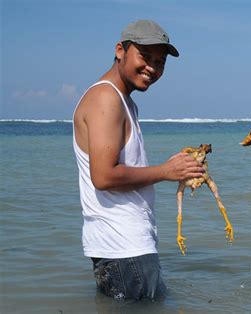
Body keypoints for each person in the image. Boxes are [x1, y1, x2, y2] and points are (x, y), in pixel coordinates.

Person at [72, 20, 205, 300]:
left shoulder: (124, 100)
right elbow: (104, 176)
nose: (152, 68)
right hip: (124, 249)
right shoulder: (106, 98)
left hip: (124, 248)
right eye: (145, 56)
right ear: (120, 50)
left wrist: (172, 167)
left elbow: (118, 167)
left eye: (160, 61)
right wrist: (165, 171)